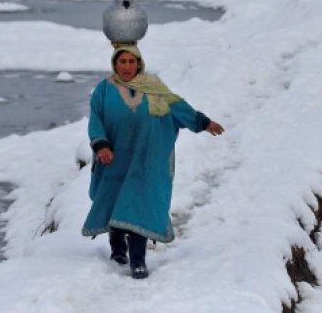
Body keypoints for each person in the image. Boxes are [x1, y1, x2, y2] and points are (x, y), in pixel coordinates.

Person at [81, 44, 225, 279]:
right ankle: (118, 248)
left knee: (140, 205)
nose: (127, 67)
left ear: (139, 63)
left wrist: (204, 123)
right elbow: (95, 119)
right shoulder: (103, 90)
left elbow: (180, 108)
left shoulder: (155, 89)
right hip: (115, 159)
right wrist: (101, 144)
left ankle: (138, 260)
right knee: (117, 202)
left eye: (131, 62)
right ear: (114, 64)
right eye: (122, 62)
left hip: (146, 162)